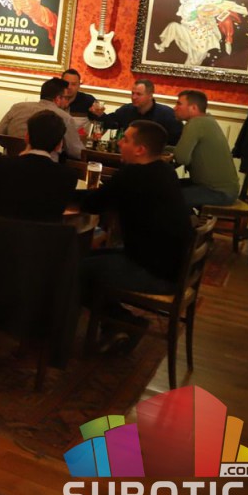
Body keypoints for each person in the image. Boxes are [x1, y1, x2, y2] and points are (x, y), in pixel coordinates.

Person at [72, 121, 192, 352]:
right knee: (83, 257)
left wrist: (60, 191)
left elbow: (93, 204)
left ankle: (122, 322)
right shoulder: (164, 170)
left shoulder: (133, 175)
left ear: (140, 149)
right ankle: (116, 324)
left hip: (155, 272)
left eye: (125, 139)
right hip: (172, 265)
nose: (119, 143)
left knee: (74, 268)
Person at [0, 109, 78, 222]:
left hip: (3, 232)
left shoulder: (2, 165)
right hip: (45, 233)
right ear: (59, 145)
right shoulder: (68, 176)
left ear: (27, 137)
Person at [172, 89, 239, 208]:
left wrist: (168, 155)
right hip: (225, 189)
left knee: (166, 195)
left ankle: (188, 218)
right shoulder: (208, 120)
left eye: (179, 104)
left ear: (193, 108)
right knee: (167, 186)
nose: (175, 108)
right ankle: (189, 217)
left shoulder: (195, 123)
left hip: (217, 192)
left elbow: (182, 158)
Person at [0, 77, 83, 160]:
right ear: (58, 98)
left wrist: (13, 146)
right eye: (66, 98)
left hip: (10, 164)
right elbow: (76, 152)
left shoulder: (17, 107)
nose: (68, 103)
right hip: (46, 167)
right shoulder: (64, 117)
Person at [96, 79, 182, 145]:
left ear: (150, 95)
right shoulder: (126, 110)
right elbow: (111, 123)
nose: (134, 97)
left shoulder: (167, 114)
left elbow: (177, 141)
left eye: (138, 94)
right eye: (132, 93)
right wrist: (100, 115)